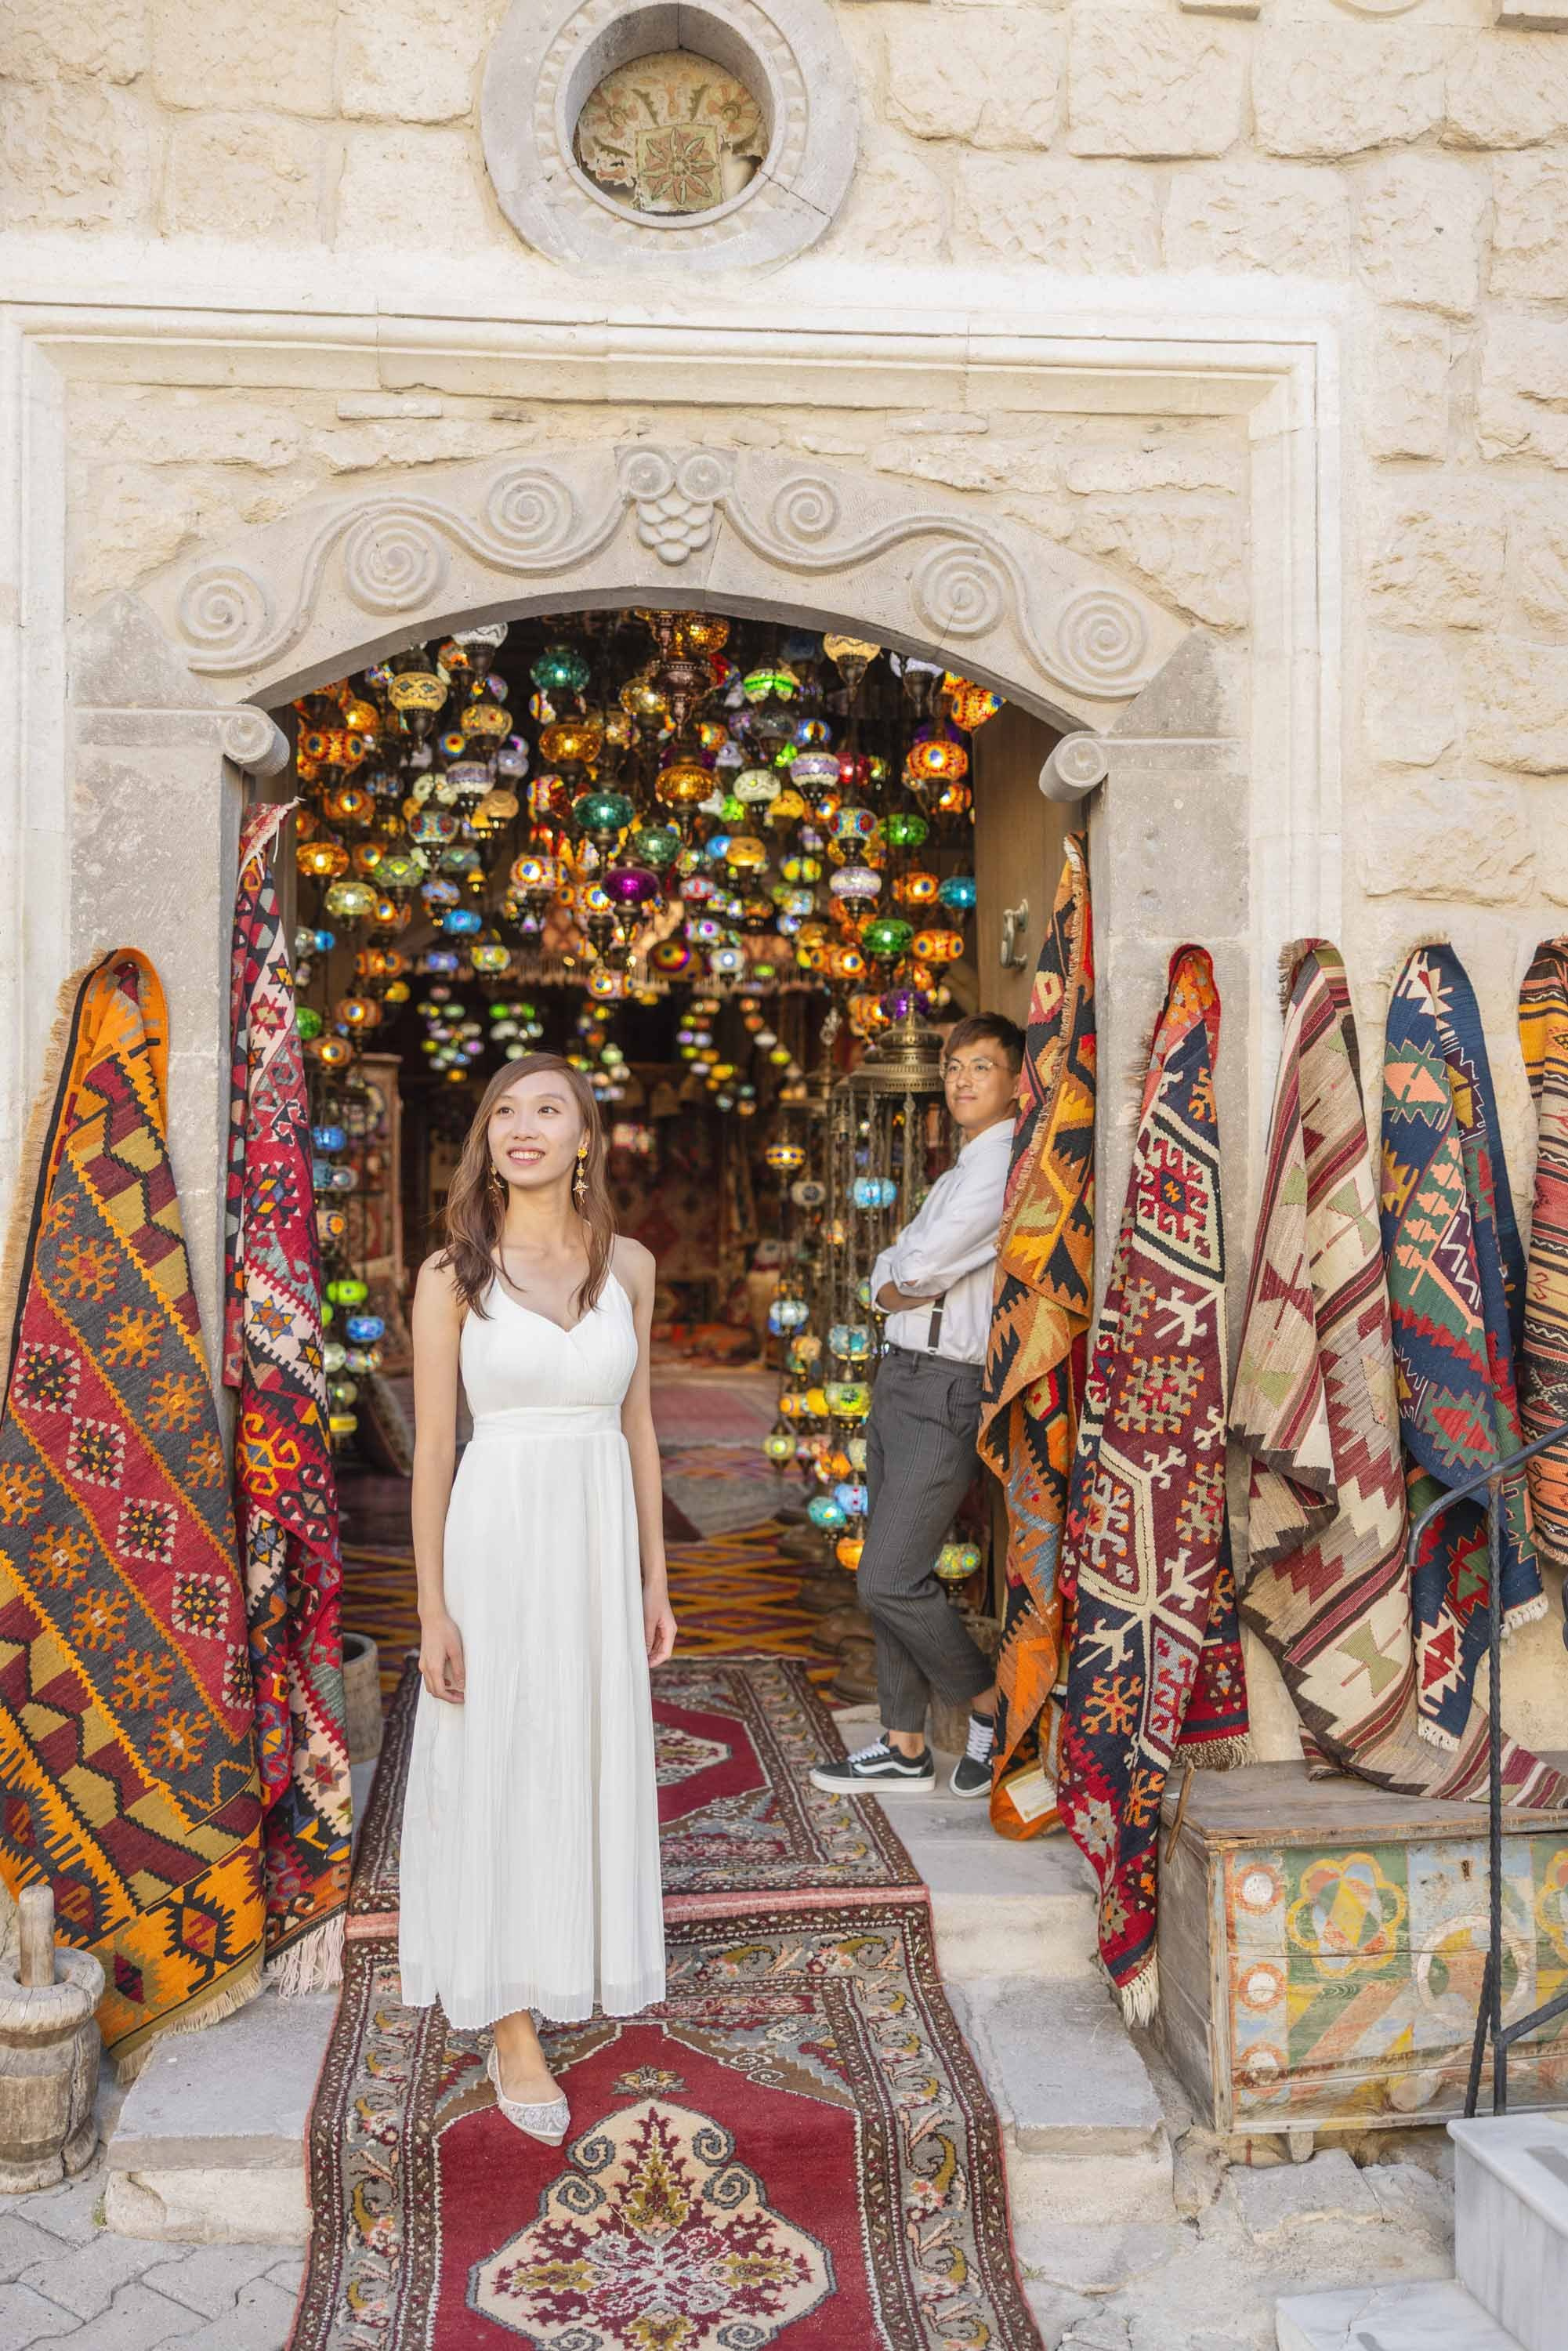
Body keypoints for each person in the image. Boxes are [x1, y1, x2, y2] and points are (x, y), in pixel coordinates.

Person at [398, 1053, 675, 2146]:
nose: (523, 1127)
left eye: (547, 1109)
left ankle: (576, 1943)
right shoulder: (449, 1276)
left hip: (599, 1539)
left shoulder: (633, 1266)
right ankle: (509, 2013)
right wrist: (432, 1609)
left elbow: (639, 1426)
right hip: (496, 1541)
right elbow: (429, 1450)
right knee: (500, 1750)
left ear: (583, 1140)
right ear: (487, 1142)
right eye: (504, 1112)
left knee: (580, 1742)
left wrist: (656, 1576)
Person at [810, 1012, 1024, 1802]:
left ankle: (987, 1703)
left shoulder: (1000, 1169)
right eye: (954, 1067)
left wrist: (897, 1276)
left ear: (1014, 1083)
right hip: (903, 1374)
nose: (963, 1081)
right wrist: (893, 1277)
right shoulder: (958, 1168)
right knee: (885, 1562)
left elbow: (918, 1266)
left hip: (945, 1385)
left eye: (982, 1068)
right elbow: (886, 1271)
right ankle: (902, 1743)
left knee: (889, 1578)